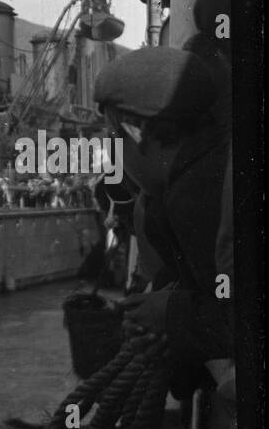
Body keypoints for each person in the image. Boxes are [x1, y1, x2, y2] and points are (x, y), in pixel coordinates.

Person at [93, 46, 232, 399]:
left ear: (138, 133)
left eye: (114, 138)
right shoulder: (214, 167)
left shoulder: (195, 197)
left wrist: (172, 314)